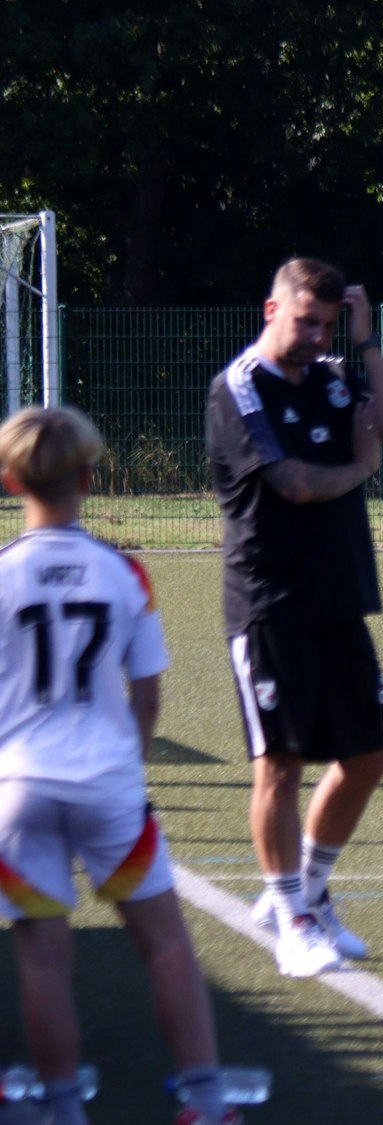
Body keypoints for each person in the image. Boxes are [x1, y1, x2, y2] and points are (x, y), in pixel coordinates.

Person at [2, 407, 240, 1125]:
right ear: (88, 477)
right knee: (165, 944)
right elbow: (148, 695)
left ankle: (63, 1107)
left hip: (20, 784)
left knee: (42, 959)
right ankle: (204, 1099)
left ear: (10, 480)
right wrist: (124, 767)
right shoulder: (125, 572)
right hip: (108, 782)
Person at [207, 257, 383, 978]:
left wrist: (365, 342)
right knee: (280, 765)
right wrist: (360, 469)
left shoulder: (332, 375)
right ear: (272, 311)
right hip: (270, 604)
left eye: (327, 325)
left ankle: (311, 891)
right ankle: (290, 914)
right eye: (306, 322)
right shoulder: (240, 387)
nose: (316, 337)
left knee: (367, 759)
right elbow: (293, 483)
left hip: (340, 597)